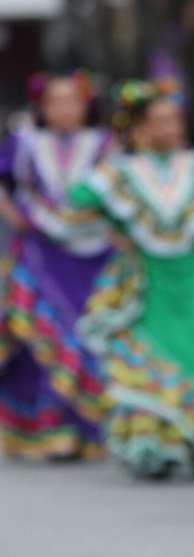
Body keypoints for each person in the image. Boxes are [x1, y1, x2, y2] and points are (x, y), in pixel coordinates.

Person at [72, 78, 194, 478]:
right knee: (146, 358)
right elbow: (81, 198)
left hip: (191, 280)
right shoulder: (122, 171)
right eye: (158, 121)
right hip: (145, 282)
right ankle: (153, 447)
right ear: (139, 126)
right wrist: (116, 228)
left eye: (173, 120)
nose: (169, 129)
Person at [0, 70, 116, 460]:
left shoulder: (103, 144)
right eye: (55, 101)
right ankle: (47, 431)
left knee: (88, 335)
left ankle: (90, 431)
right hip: (39, 252)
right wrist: (15, 216)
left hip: (94, 255)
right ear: (42, 106)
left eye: (72, 100)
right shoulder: (26, 144)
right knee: (41, 337)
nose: (64, 109)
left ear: (85, 106)